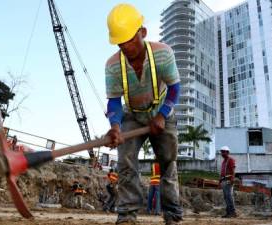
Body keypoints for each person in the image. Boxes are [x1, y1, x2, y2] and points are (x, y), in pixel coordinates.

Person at [104, 3, 182, 225]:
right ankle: (127, 216)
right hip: (132, 115)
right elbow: (114, 101)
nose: (126, 47)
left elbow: (175, 88)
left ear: (143, 32)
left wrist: (162, 115)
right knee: (126, 164)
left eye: (130, 39)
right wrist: (116, 126)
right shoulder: (112, 66)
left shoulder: (163, 53)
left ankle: (172, 216)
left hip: (162, 113)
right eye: (121, 42)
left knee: (168, 163)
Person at [219, 146, 237, 218]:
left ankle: (232, 212)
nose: (222, 153)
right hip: (224, 180)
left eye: (223, 152)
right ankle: (228, 212)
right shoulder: (224, 161)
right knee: (226, 197)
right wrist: (220, 180)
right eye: (221, 152)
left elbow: (233, 170)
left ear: (227, 152)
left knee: (229, 196)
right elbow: (222, 172)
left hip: (228, 180)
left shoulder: (231, 160)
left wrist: (232, 179)